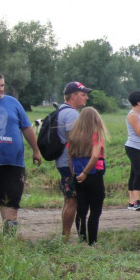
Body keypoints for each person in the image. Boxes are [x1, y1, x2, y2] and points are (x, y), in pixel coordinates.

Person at [0, 70, 42, 234]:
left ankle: (8, 240)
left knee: (11, 202)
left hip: (12, 163)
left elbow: (27, 128)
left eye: (2, 85)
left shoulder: (13, 103)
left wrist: (36, 150)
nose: (1, 89)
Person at [66, 107, 108, 245]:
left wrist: (75, 174)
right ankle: (92, 242)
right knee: (95, 210)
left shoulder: (73, 135)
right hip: (93, 175)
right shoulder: (96, 134)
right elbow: (95, 155)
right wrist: (86, 173)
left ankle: (82, 238)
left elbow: (70, 156)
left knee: (81, 209)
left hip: (78, 175)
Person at [56, 81, 92, 240]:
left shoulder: (61, 110)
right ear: (73, 96)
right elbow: (74, 142)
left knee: (68, 199)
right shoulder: (71, 114)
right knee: (73, 200)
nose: (86, 98)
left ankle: (65, 234)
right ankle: (66, 236)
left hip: (62, 161)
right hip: (70, 164)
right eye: (83, 94)